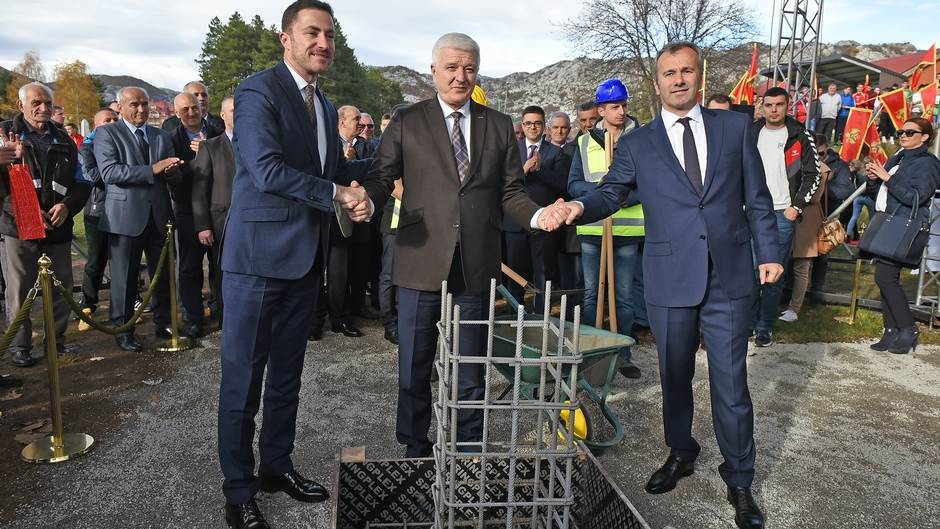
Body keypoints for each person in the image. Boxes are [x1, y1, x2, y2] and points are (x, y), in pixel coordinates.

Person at [563, 41, 782, 529]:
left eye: (686, 71)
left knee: (731, 384)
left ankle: (740, 479)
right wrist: (579, 207)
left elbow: (758, 197)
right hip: (668, 278)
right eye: (669, 73)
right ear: (657, 82)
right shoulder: (640, 144)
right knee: (675, 376)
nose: (678, 80)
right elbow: (614, 192)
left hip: (728, 278)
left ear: (698, 76)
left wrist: (768, 253)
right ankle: (681, 451)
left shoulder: (734, 128)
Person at [361, 32, 568, 459]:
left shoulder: (497, 125)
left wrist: (536, 215)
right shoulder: (408, 120)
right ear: (433, 70)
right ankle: (415, 447)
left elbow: (511, 191)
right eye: (452, 68)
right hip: (420, 261)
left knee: (471, 368)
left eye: (469, 68)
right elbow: (383, 176)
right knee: (414, 366)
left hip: (475, 264)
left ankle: (469, 450)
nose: (460, 76)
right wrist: (365, 198)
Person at [217, 2, 372, 526]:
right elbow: (265, 169)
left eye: (329, 34)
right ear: (286, 39)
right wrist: (338, 193)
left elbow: (335, 169)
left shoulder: (326, 106)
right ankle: (238, 489)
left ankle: (274, 466)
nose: (323, 42)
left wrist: (385, 167)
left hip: (306, 260)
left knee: (287, 376)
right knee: (244, 381)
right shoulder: (260, 90)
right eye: (312, 32)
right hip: (258, 261)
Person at [0, 82, 91, 367]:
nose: (43, 108)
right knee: (19, 290)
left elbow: (81, 182)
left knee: (62, 286)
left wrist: (68, 206)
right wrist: (24, 211)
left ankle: (57, 341)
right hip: (19, 228)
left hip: (58, 226)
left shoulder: (63, 139)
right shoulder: (4, 135)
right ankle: (19, 346)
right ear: (21, 106)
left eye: (48, 104)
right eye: (36, 103)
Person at [567, 79, 645, 379]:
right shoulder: (585, 142)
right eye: (615, 106)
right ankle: (589, 354)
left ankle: (623, 354)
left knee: (623, 297)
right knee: (590, 296)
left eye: (624, 105)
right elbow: (573, 183)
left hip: (626, 231)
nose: (621, 111)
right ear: (601, 109)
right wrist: (599, 192)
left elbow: (647, 184)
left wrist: (619, 196)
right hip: (592, 229)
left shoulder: (640, 139)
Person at [94, 86, 180, 352]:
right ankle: (123, 328)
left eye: (144, 104)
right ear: (120, 107)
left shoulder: (161, 136)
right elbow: (109, 172)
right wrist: (153, 169)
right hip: (125, 218)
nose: (141, 109)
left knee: (163, 273)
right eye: (134, 104)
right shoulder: (107, 134)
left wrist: (172, 172)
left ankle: (165, 321)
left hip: (159, 215)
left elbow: (170, 178)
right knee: (124, 277)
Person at [751, 86, 820, 347]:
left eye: (779, 104)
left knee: (773, 274)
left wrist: (796, 207)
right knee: (748, 271)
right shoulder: (751, 131)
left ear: (787, 105)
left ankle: (764, 326)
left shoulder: (800, 135)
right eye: (769, 105)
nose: (774, 110)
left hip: (782, 212)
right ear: (763, 106)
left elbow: (814, 174)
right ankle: (747, 323)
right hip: (752, 212)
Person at [866, 117, 940, 355]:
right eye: (901, 132)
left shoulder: (927, 163)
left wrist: (888, 178)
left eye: (910, 132)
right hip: (887, 221)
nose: (903, 136)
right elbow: (884, 192)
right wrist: (874, 180)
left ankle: (907, 329)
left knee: (886, 277)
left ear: (925, 137)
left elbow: (918, 197)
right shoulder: (898, 157)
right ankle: (892, 330)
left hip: (903, 224)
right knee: (884, 277)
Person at [169, 92, 224, 338]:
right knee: (189, 268)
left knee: (220, 265)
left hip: (217, 207)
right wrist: (203, 157)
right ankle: (193, 316)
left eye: (195, 107)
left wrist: (211, 149)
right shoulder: (172, 139)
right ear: (176, 113)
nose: (191, 113)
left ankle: (220, 310)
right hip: (187, 211)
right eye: (185, 110)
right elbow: (175, 176)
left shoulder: (217, 133)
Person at [502, 105, 567, 312]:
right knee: (515, 273)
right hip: (514, 222)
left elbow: (563, 185)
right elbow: (502, 183)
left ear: (543, 126)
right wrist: (524, 171)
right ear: (522, 124)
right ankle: (515, 315)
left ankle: (541, 317)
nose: (532, 127)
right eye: (528, 123)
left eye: (537, 123)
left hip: (544, 222)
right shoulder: (510, 150)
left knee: (543, 273)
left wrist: (540, 171)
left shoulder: (556, 152)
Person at [190, 95, 236, 323]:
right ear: (223, 115)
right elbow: (199, 189)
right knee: (220, 272)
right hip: (221, 221)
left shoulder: (257, 144)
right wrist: (203, 225)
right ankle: (223, 315)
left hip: (252, 221)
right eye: (233, 110)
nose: (238, 115)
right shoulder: (210, 146)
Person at [780, 133, 831, 322]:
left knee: (801, 266)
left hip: (806, 221)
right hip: (790, 217)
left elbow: (815, 197)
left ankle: (794, 308)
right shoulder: (791, 163)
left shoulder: (821, 169)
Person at [77, 107, 119, 331]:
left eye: (114, 118)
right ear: (96, 125)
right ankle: (88, 305)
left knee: (121, 260)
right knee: (95, 260)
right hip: (98, 210)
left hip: (123, 209)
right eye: (106, 120)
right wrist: (119, 171)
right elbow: (92, 175)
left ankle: (123, 303)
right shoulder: (87, 147)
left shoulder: (124, 142)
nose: (111, 122)